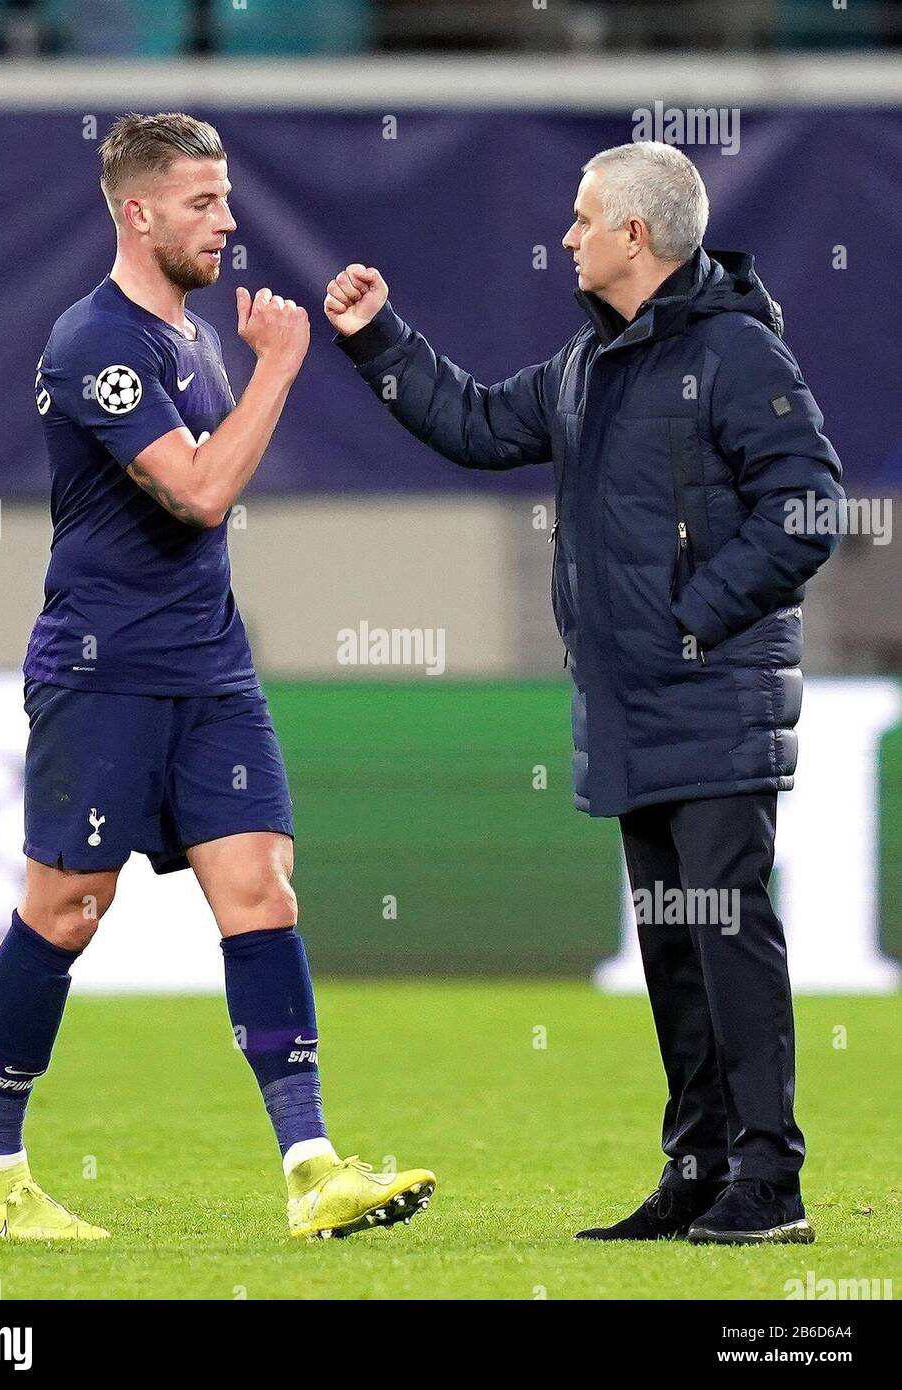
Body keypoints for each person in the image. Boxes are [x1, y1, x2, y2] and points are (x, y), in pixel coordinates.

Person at [325, 140, 843, 1245]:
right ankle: (701, 1170)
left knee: (728, 935)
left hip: (712, 700)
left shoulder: (738, 352)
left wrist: (694, 616)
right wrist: (378, 340)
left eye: (579, 219)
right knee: (675, 948)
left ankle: (771, 1178)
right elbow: (473, 424)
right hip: (633, 710)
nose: (565, 237)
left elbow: (807, 507)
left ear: (634, 237)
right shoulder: (587, 362)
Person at [0, 111, 434, 1243]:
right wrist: (280, 367)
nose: (227, 220)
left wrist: (256, 364)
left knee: (262, 891)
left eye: (226, 198)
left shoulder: (192, 337)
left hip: (209, 664)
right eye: (202, 201)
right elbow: (201, 491)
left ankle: (312, 1167)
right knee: (67, 908)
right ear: (137, 210)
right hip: (104, 664)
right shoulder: (93, 341)